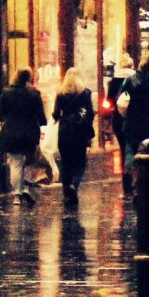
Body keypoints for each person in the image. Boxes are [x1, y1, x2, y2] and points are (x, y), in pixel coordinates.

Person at [0, 68, 48, 206]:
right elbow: (41, 116)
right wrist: (43, 124)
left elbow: (1, 114)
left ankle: (17, 195)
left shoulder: (7, 92)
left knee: (16, 163)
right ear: (29, 78)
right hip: (29, 132)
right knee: (30, 161)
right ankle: (26, 187)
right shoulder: (34, 94)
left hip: (11, 132)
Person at [119, 58, 149, 194]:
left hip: (132, 124)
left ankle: (129, 183)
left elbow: (120, 99)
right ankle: (144, 184)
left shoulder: (128, 81)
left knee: (130, 153)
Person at [52, 67, 96, 210]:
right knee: (80, 162)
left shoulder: (61, 93)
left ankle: (66, 194)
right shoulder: (85, 92)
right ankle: (74, 185)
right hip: (79, 130)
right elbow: (90, 112)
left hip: (64, 130)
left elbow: (55, 113)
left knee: (66, 163)